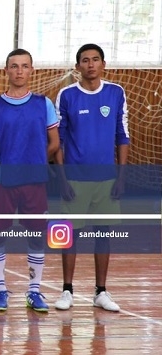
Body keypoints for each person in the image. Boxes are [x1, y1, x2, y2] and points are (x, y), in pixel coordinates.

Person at [0, 49, 60, 313]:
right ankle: (0, 290)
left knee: (36, 235)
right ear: (6, 70)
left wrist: (32, 161)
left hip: (35, 179)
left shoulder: (43, 103)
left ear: (31, 70)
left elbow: (55, 142)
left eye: (25, 66)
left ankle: (34, 292)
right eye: (14, 66)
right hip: (4, 179)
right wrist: (3, 162)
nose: (19, 70)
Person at [54, 43, 129, 313]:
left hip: (106, 179)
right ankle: (67, 290)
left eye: (95, 60)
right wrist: (61, 179)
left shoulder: (116, 93)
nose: (90, 64)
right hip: (74, 179)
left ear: (103, 64)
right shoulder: (66, 95)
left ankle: (101, 291)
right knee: (68, 236)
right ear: (77, 67)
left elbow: (122, 135)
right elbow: (57, 140)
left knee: (103, 234)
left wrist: (121, 176)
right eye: (85, 60)